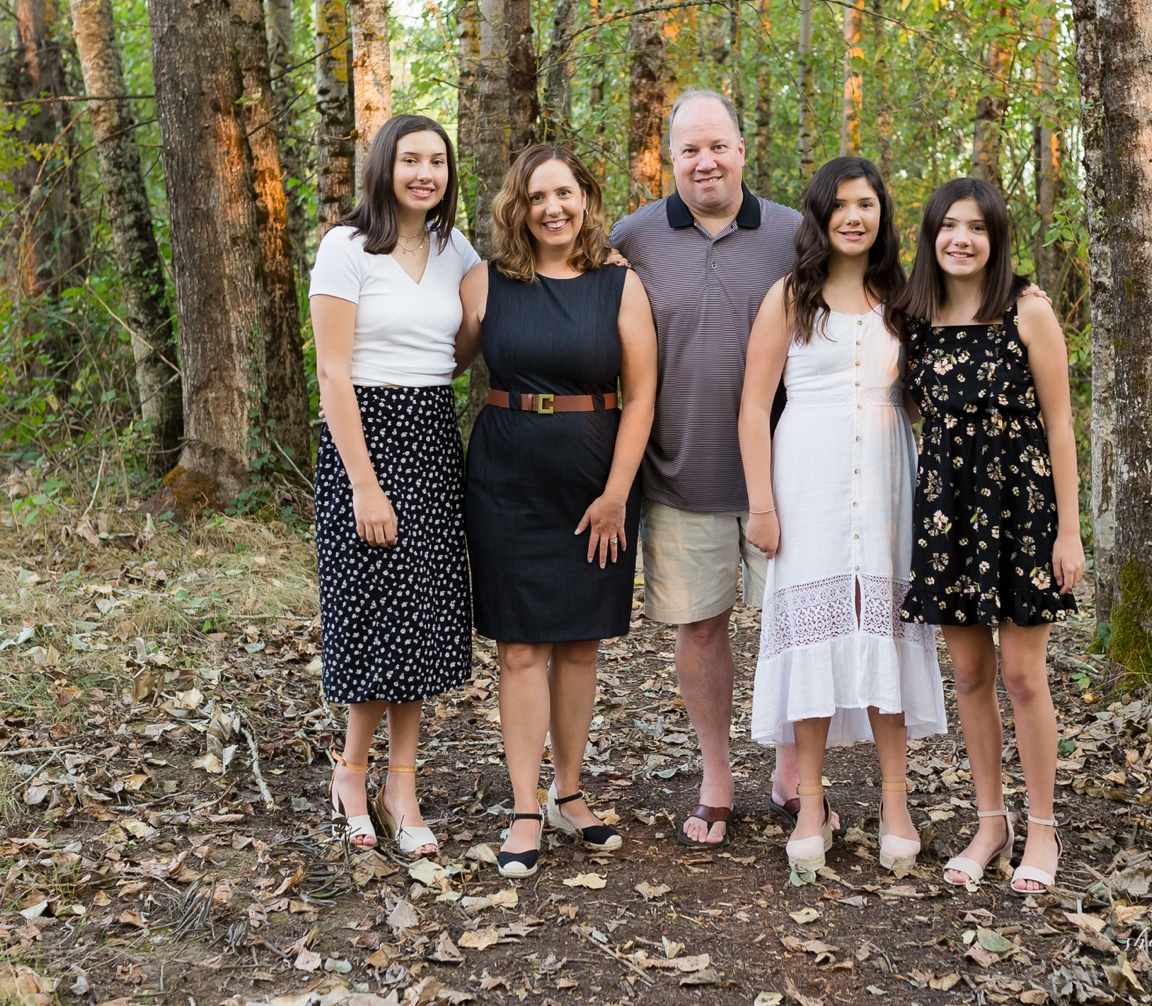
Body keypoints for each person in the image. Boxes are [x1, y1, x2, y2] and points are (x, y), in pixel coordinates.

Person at [608, 90, 818, 849]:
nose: (705, 162)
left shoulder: (796, 234)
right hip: (679, 474)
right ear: (672, 159)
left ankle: (794, 767)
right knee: (701, 630)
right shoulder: (632, 237)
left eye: (717, 146)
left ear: (742, 148)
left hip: (786, 474)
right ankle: (717, 774)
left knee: (791, 626)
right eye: (690, 150)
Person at [738, 155, 947, 876]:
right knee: (816, 638)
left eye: (868, 204)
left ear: (883, 215)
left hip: (890, 477)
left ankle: (896, 803)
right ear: (820, 217)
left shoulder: (904, 298)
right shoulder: (789, 299)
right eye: (842, 206)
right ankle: (808, 802)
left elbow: (928, 391)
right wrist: (759, 504)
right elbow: (752, 408)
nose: (855, 217)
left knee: (883, 628)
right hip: (807, 477)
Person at [457, 144, 657, 879]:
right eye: (538, 196)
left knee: (579, 644)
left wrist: (615, 493)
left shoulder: (619, 284)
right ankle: (522, 805)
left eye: (565, 193)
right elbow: (429, 357)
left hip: (593, 485)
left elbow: (641, 395)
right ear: (518, 206)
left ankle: (570, 794)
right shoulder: (484, 283)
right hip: (506, 480)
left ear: (585, 198)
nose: (553, 208)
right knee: (518, 648)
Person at [894, 177, 1084, 893]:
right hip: (948, 514)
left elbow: (1060, 425)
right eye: (947, 226)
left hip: (1022, 511)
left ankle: (1043, 829)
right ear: (931, 237)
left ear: (996, 238)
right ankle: (990, 821)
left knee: (1022, 674)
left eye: (975, 227)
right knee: (969, 675)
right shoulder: (916, 318)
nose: (961, 239)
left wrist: (1070, 530)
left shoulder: (1027, 312)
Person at [310, 114, 482, 856]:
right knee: (370, 615)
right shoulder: (346, 248)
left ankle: (401, 787)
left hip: (433, 437)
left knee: (420, 622)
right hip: (366, 439)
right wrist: (364, 486)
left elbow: (464, 349)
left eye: (436, 162)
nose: (424, 173)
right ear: (385, 167)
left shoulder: (455, 249)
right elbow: (332, 372)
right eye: (410, 159)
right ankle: (350, 774)